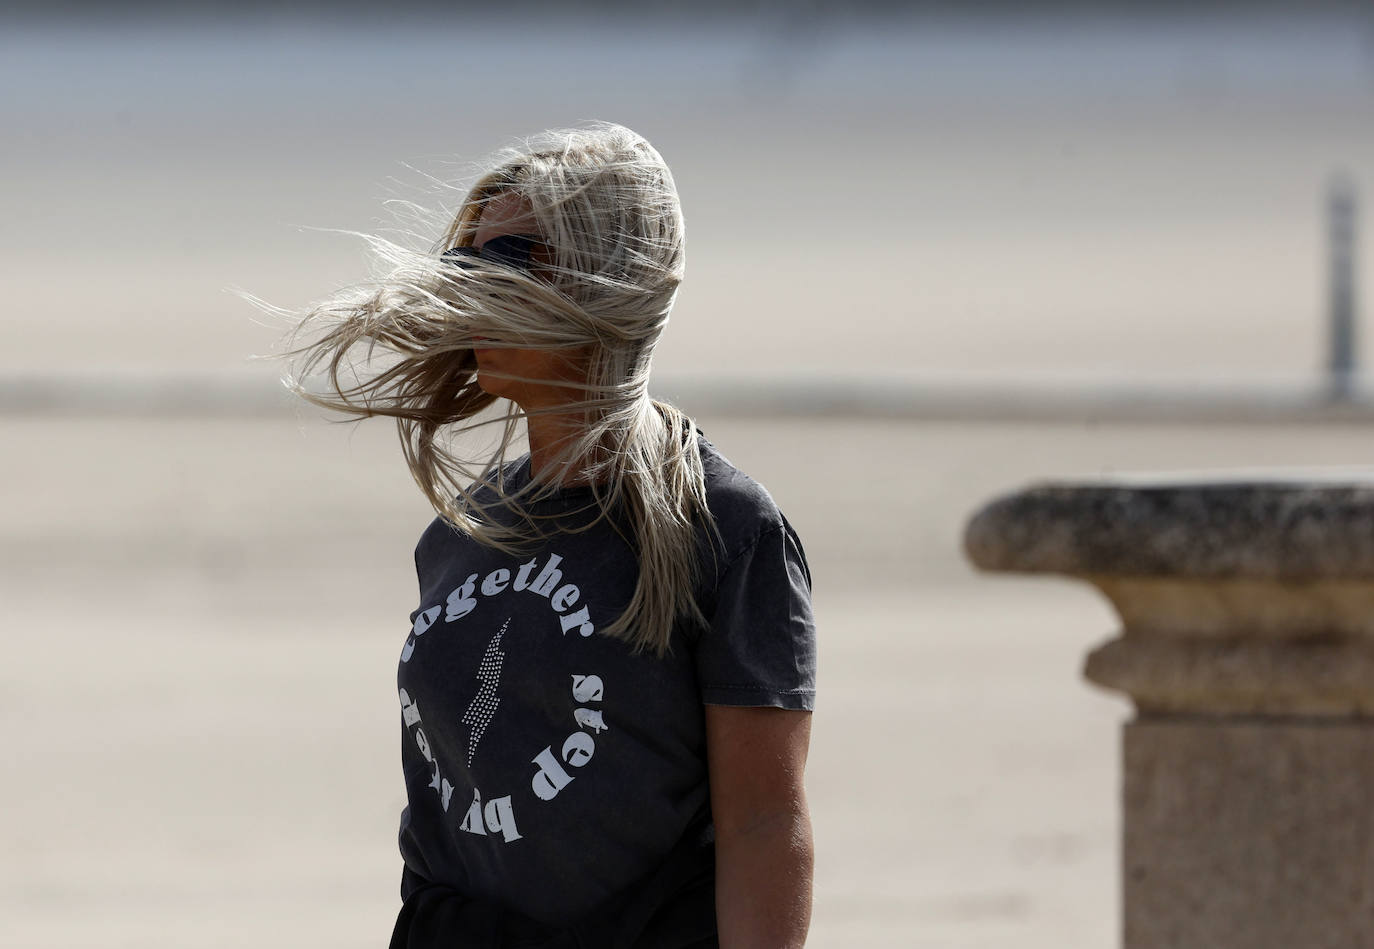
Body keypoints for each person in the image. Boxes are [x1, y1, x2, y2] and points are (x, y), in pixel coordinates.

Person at [286, 123, 816, 948]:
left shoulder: (722, 527)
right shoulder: (460, 532)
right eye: (463, 266)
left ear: (603, 274)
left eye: (506, 263)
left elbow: (763, 821)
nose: (469, 296)